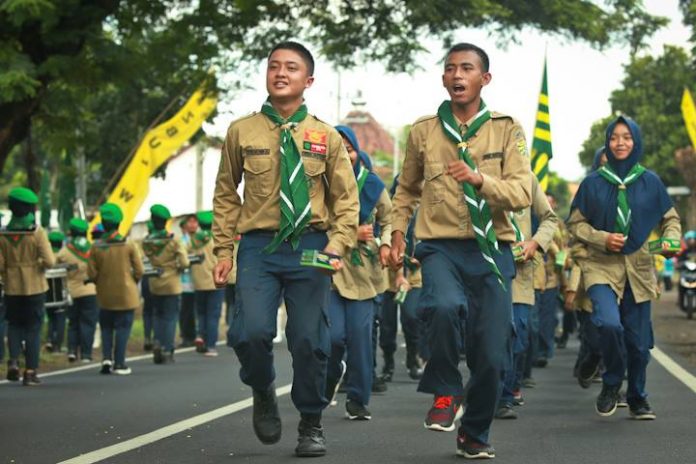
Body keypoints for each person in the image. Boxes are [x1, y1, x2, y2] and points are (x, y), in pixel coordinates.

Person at [211, 41, 359, 457]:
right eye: (274, 66)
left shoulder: (325, 136)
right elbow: (226, 194)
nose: (280, 73)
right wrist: (223, 250)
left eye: (291, 68)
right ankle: (262, 388)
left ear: (307, 80)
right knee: (249, 331)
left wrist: (337, 244)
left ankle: (310, 423)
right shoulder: (242, 131)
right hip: (259, 246)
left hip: (311, 245)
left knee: (310, 340)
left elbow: (347, 201)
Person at [389, 43, 531, 459]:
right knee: (443, 306)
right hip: (439, 247)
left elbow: (522, 192)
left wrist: (479, 179)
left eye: (466, 68)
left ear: (484, 79)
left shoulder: (507, 129)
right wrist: (396, 231)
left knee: (491, 356)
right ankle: (445, 389)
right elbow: (406, 189)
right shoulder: (424, 131)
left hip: (491, 249)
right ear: (443, 79)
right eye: (450, 68)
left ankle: (473, 432)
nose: (457, 75)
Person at [567, 115, 681, 419]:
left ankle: (637, 397)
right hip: (601, 265)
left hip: (640, 267)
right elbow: (575, 224)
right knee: (607, 323)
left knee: (639, 343)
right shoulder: (593, 183)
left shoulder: (650, 181)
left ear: (636, 141)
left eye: (627, 137)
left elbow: (670, 219)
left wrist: (671, 239)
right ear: (607, 141)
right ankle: (612, 381)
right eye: (615, 137)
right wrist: (602, 238)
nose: (620, 143)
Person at [325, 126, 391, 421]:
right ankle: (329, 378)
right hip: (332, 269)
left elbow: (388, 221)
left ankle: (357, 400)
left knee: (360, 339)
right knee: (333, 338)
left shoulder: (374, 185)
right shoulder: (321, 183)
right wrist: (352, 233)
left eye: (348, 149)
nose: (344, 154)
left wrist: (386, 243)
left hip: (365, 273)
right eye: (337, 149)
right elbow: (314, 223)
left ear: (355, 151)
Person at [496, 176, 558, 419]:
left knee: (519, 334)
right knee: (491, 337)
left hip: (520, 274)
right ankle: (497, 394)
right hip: (487, 269)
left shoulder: (527, 178)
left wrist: (535, 243)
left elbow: (549, 218)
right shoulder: (477, 170)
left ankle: (507, 391)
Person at [0, 187, 55, 385]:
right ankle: (30, 371)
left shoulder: (3, 234)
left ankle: (13, 362)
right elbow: (49, 261)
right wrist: (35, 265)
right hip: (35, 288)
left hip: (12, 289)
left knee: (14, 325)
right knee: (33, 328)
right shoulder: (37, 233)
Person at [380, 176, 426, 382]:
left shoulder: (425, 211)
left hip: (415, 277)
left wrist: (421, 256)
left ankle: (412, 359)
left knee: (411, 317)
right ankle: (388, 363)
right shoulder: (388, 212)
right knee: (387, 323)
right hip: (389, 276)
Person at [89, 203, 144, 375]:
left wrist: (101, 282)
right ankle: (119, 363)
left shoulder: (96, 246)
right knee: (122, 328)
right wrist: (132, 281)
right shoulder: (128, 244)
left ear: (103, 224)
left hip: (104, 295)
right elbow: (139, 269)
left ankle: (106, 359)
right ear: (119, 223)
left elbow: (91, 273)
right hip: (126, 294)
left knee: (106, 327)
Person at [141, 204, 189, 364]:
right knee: (170, 317)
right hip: (172, 283)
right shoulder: (174, 240)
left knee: (157, 314)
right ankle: (167, 350)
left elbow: (146, 258)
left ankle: (157, 342)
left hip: (155, 282)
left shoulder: (147, 241)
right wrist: (178, 267)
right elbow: (184, 262)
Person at [57, 218, 98, 362]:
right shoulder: (93, 249)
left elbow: (55, 266)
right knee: (88, 323)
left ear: (71, 232)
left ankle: (72, 351)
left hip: (71, 292)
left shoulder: (64, 251)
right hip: (91, 291)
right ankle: (86, 354)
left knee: (73, 322)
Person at [189, 210, 224, 356]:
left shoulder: (193, 240)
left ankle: (200, 336)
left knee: (201, 312)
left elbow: (188, 257)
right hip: (215, 281)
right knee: (213, 314)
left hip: (198, 282)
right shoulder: (217, 239)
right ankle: (210, 346)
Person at [46, 230, 68, 354]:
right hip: (60, 292)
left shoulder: (46, 255)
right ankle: (57, 345)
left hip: (47, 292)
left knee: (50, 318)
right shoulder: (62, 255)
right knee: (60, 318)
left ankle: (49, 339)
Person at [178, 214, 198, 347]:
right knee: (185, 310)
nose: (191, 224)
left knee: (196, 310)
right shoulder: (181, 240)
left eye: (194, 222)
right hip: (184, 281)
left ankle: (197, 335)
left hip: (198, 280)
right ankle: (186, 336)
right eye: (189, 222)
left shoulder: (201, 239)